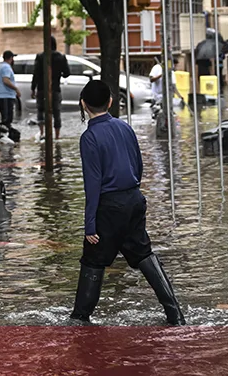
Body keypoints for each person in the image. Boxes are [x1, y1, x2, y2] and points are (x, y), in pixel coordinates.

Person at [71, 80, 185, 325]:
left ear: (83, 104)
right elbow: (139, 166)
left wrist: (89, 224)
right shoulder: (125, 128)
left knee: (93, 259)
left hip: (108, 206)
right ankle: (174, 312)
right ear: (110, 102)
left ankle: (80, 318)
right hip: (134, 199)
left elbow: (92, 184)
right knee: (143, 253)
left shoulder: (89, 137)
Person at [32, 36, 71, 140]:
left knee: (40, 110)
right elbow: (67, 73)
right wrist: (60, 74)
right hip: (55, 88)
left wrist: (33, 88)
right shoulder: (61, 57)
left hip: (41, 89)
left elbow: (35, 74)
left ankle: (42, 133)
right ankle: (57, 136)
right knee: (56, 112)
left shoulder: (40, 57)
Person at [0, 51, 21, 128]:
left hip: (1, 96)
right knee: (7, 120)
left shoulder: (0, 66)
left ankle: (4, 135)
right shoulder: (6, 67)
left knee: (5, 119)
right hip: (6, 96)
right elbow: (6, 80)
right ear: (11, 58)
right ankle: (5, 136)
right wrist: (16, 89)